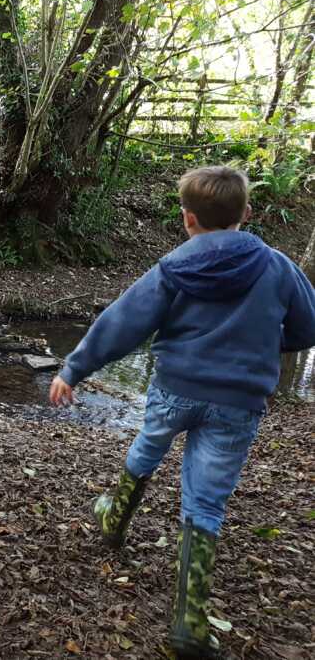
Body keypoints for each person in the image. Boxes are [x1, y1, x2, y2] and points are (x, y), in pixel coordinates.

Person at [48, 166, 315, 659]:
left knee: (149, 443)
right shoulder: (277, 267)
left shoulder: (173, 267)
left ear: (188, 219)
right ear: (247, 214)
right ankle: (190, 623)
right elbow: (306, 328)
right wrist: (264, 340)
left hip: (175, 389)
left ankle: (113, 520)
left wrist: (75, 368)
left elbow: (124, 322)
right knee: (207, 500)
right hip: (238, 399)